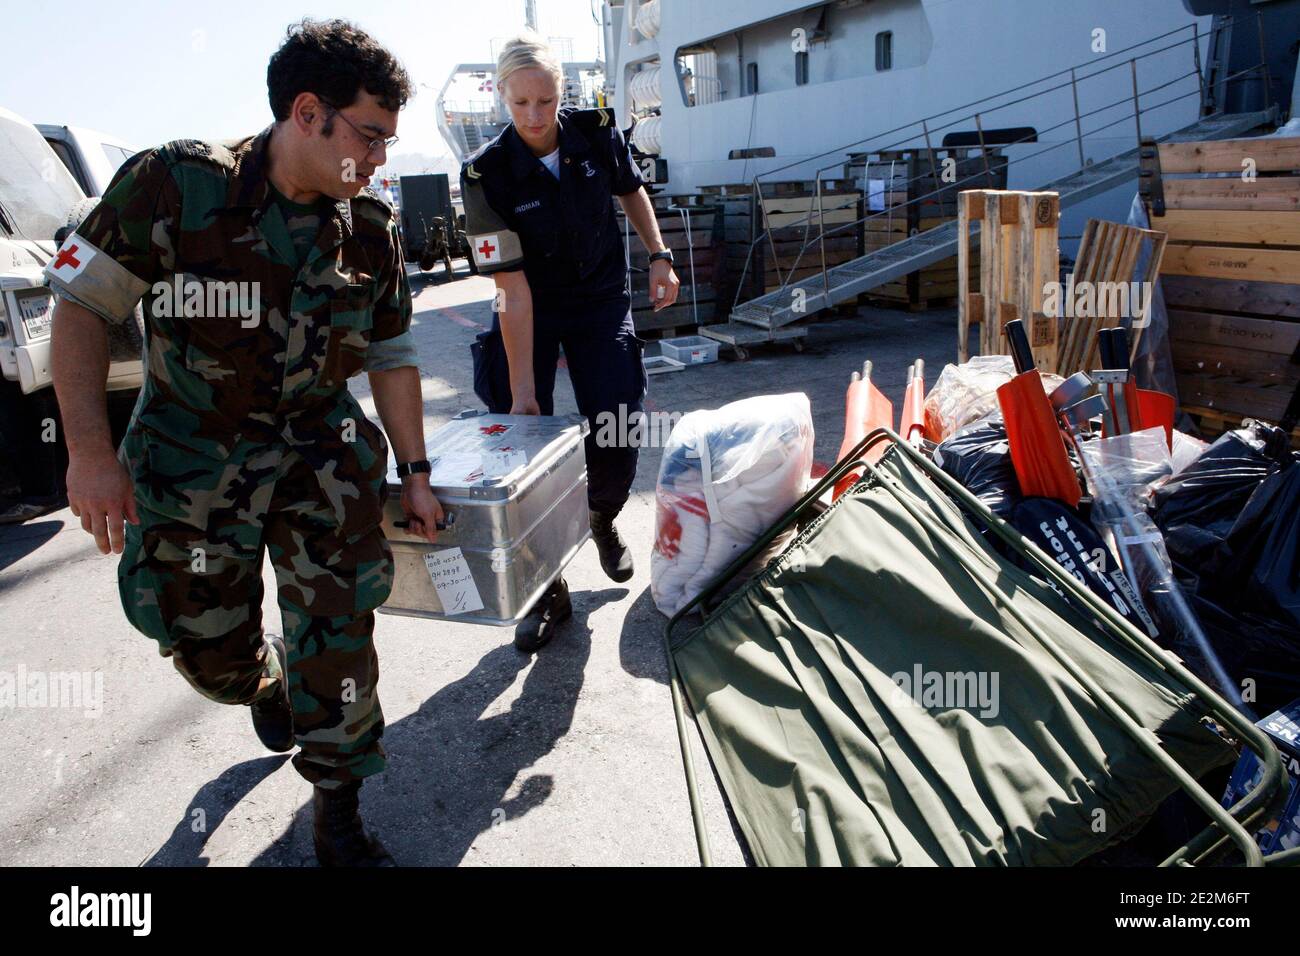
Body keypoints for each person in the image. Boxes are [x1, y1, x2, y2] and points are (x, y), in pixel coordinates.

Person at [45, 19, 443, 867]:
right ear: (308, 113)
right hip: (194, 468)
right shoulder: (173, 186)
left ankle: (339, 806)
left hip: (324, 467)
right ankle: (261, 680)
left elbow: (394, 355)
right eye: (369, 137)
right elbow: (79, 308)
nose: (378, 161)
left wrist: (415, 474)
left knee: (337, 637)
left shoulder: (369, 225)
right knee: (205, 651)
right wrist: (88, 454)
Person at [461, 33, 681, 653]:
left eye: (547, 100)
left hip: (600, 296)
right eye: (522, 102)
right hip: (530, 302)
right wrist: (526, 390)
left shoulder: (596, 130)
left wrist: (659, 256)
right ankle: (545, 583)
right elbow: (511, 290)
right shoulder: (484, 175)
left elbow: (630, 188)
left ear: (563, 93)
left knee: (615, 417)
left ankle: (602, 518)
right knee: (519, 438)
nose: (535, 116)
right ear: (502, 96)